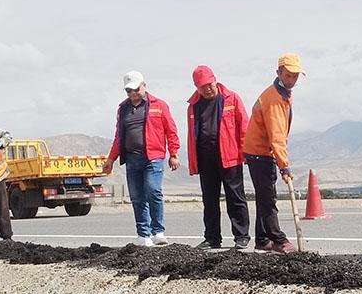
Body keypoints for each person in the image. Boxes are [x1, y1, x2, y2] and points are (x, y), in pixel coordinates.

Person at [103, 70, 181, 247]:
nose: (133, 94)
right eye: (129, 91)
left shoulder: (159, 105)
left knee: (153, 190)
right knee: (137, 197)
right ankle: (143, 235)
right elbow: (118, 137)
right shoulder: (123, 109)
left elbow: (171, 130)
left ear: (144, 85)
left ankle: (158, 232)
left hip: (153, 157)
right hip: (132, 159)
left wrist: (174, 154)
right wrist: (110, 159)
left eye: (136, 89)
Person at [243, 53, 305, 255]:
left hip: (261, 151)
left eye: (295, 76)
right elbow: (277, 135)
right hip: (260, 152)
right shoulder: (275, 99)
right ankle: (278, 239)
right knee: (268, 198)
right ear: (279, 73)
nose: (292, 80)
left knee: (263, 196)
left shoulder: (283, 94)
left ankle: (262, 239)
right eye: (288, 75)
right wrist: (284, 166)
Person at [187, 65, 251, 250]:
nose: (207, 89)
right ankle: (212, 238)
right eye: (201, 86)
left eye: (209, 84)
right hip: (205, 159)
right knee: (209, 200)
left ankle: (241, 236)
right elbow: (192, 135)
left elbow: (244, 126)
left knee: (235, 196)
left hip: (229, 156)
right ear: (196, 87)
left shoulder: (232, 98)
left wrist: (244, 152)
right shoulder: (193, 106)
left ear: (215, 80)